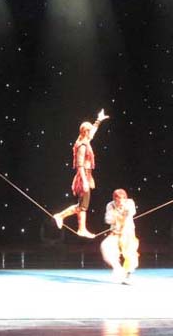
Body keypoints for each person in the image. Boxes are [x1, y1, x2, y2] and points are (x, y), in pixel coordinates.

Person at [52, 109, 109, 238]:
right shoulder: (82, 146)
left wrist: (99, 120)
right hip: (83, 176)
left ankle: (82, 229)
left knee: (83, 206)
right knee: (82, 206)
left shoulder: (85, 141)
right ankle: (60, 216)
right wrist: (84, 181)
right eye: (89, 131)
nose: (91, 133)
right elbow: (79, 165)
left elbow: (93, 131)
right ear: (85, 132)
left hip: (87, 175)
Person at [100, 188, 139, 283]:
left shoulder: (130, 202)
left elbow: (132, 213)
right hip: (115, 232)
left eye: (122, 199)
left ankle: (127, 276)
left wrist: (125, 212)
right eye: (118, 200)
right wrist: (116, 216)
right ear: (114, 199)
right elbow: (108, 219)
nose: (120, 202)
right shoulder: (110, 205)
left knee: (130, 253)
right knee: (105, 246)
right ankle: (117, 268)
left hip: (128, 231)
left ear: (125, 198)